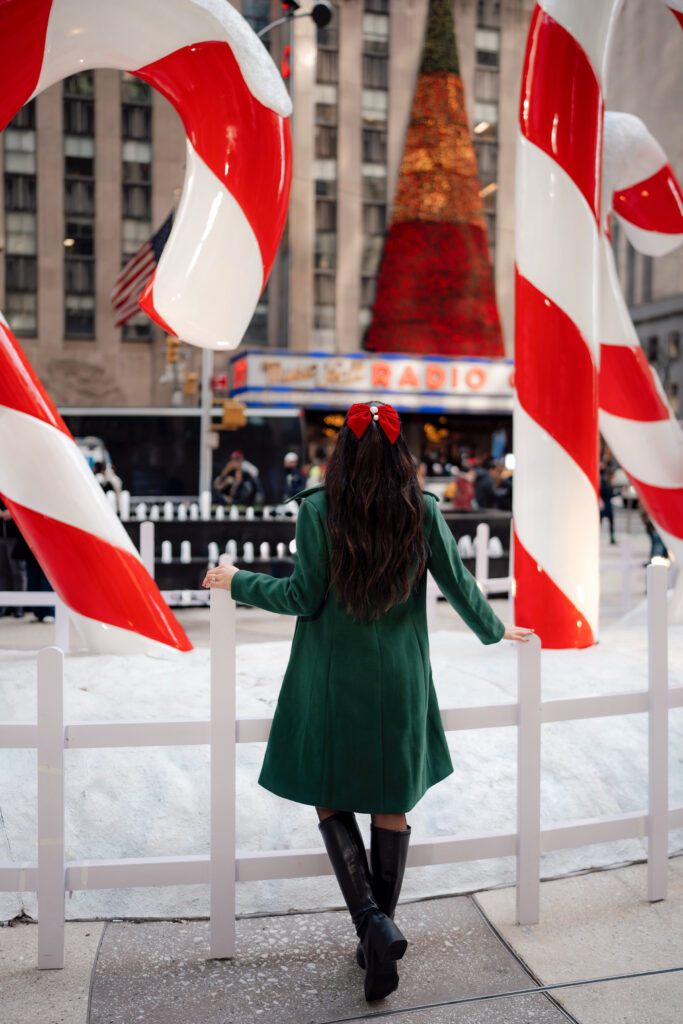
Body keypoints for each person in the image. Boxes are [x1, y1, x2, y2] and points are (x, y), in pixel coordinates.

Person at [202, 401, 533, 1003]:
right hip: (400, 677)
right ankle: (376, 937)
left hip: (332, 675)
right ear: (401, 452)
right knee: (390, 800)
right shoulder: (422, 508)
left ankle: (372, 927)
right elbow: (457, 581)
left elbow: (302, 597)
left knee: (329, 793)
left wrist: (238, 580)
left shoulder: (318, 509)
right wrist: (494, 627)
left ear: (343, 453)